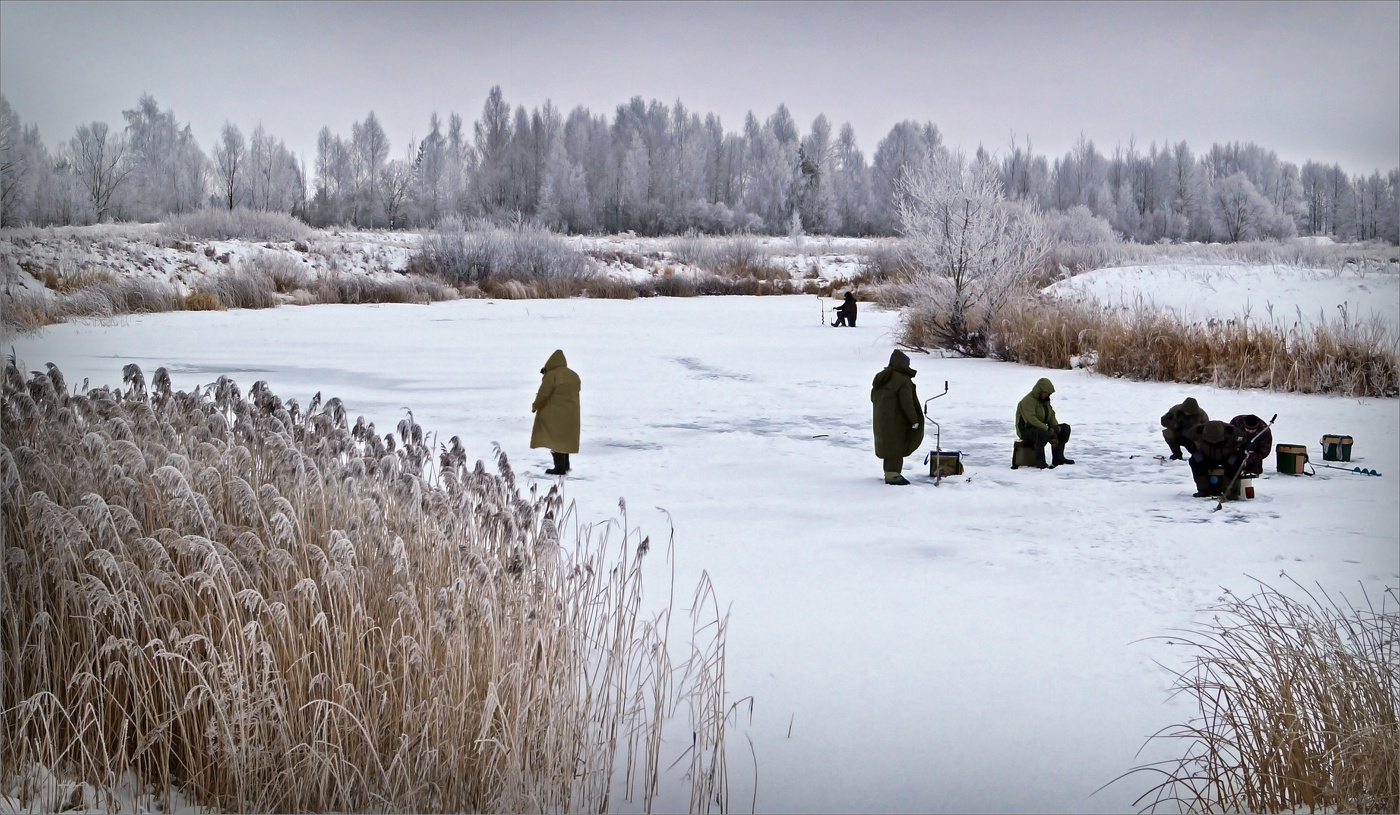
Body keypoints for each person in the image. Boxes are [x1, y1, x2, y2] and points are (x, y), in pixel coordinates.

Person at [871, 350, 924, 485]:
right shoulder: (902, 380)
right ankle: (893, 476)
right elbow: (907, 403)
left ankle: (889, 473)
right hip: (896, 420)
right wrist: (914, 420)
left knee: (888, 446)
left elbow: (873, 398)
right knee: (897, 447)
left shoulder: (882, 378)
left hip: (881, 419)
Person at [531, 349, 581, 475]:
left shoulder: (552, 376)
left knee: (555, 439)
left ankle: (559, 468)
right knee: (565, 439)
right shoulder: (573, 375)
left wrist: (535, 406)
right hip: (572, 414)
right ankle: (565, 465)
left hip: (555, 414)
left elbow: (543, 394)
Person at [1015, 377, 1073, 469]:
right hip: (1026, 430)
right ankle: (1040, 461)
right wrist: (1048, 429)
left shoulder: (1045, 401)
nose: (1046, 395)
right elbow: (1031, 419)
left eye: (1048, 393)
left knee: (1065, 428)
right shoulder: (1027, 401)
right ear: (1039, 391)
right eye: (1045, 393)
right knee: (1041, 433)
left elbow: (1051, 415)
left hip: (1040, 427)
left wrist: (1055, 428)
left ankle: (1058, 458)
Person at [1183, 419, 1248, 497]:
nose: (1214, 442)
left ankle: (1228, 490)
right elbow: (1183, 437)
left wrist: (1238, 453)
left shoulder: (1232, 431)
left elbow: (1245, 442)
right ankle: (1203, 490)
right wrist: (1194, 451)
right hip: (1206, 456)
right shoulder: (1197, 430)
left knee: (1235, 461)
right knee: (1195, 460)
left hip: (1227, 457)